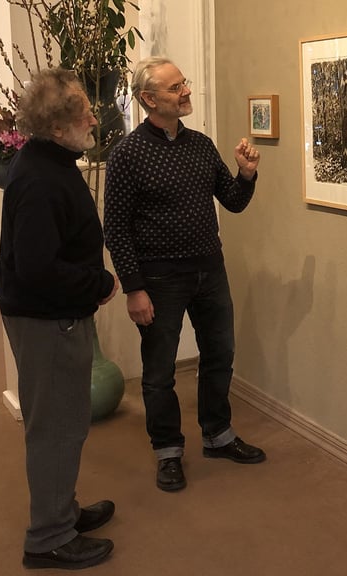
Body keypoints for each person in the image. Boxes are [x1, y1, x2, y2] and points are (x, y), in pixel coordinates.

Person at [104, 56, 266, 493]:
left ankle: (217, 434)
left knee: (221, 355)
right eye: (175, 88)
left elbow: (231, 201)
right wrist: (134, 289)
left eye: (184, 84)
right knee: (159, 372)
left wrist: (247, 174)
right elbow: (115, 229)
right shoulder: (127, 155)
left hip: (210, 271)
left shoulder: (201, 145)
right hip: (159, 280)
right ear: (148, 99)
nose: (186, 92)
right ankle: (168, 451)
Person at [0, 68, 120, 570]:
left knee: (63, 422)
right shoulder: (42, 179)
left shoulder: (48, 161)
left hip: (53, 316)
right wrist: (100, 284)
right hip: (46, 321)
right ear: (59, 125)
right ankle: (48, 538)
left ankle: (61, 510)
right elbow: (37, 268)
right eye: (83, 111)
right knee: (56, 429)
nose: (94, 116)